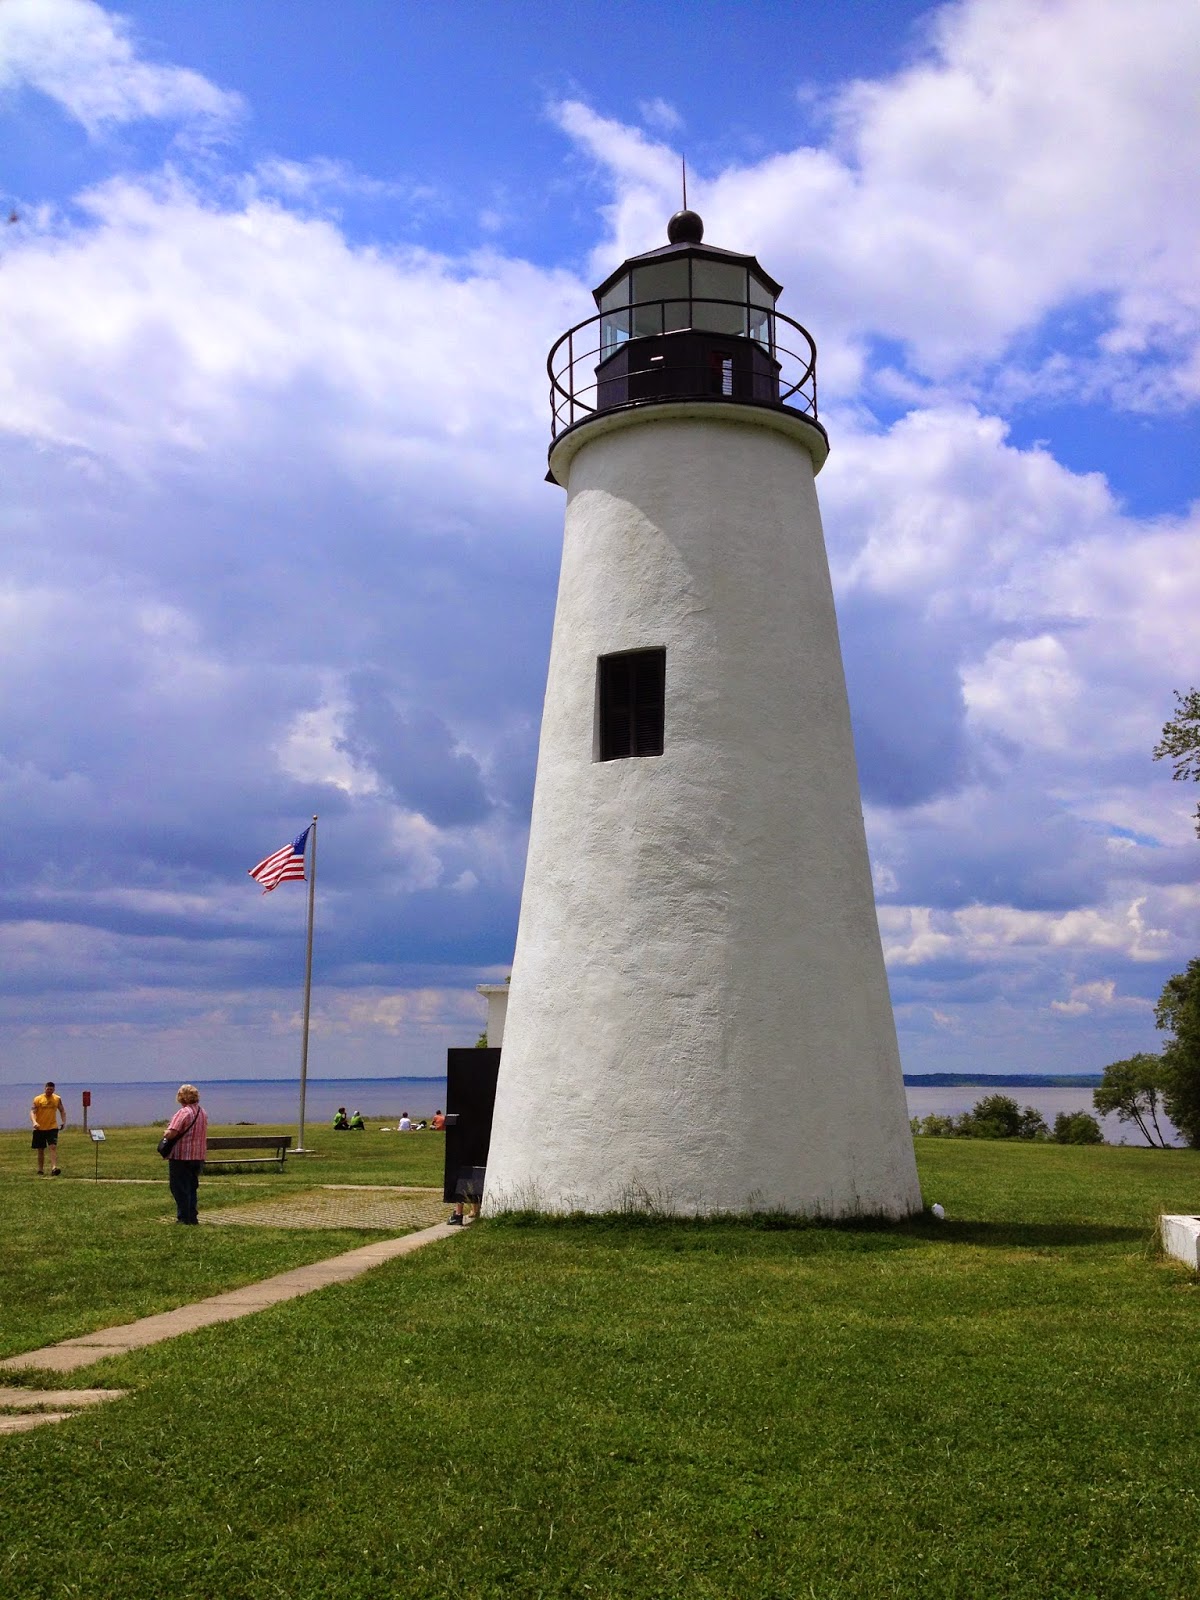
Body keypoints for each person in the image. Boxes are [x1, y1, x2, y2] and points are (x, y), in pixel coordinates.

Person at [164, 1084, 208, 1225]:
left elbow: (172, 1133)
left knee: (179, 1188)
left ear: (181, 1097)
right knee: (191, 1187)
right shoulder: (202, 1112)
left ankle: (184, 1217)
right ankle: (192, 1216)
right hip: (198, 1155)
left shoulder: (183, 1113)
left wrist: (165, 1132)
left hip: (181, 1156)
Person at [30, 1081, 67, 1176]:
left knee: (53, 1147)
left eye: (51, 1089)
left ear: (54, 1089)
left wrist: (63, 1121)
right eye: (48, 1089)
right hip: (40, 1128)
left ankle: (54, 1168)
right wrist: (34, 1122)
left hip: (52, 1127)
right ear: (45, 1088)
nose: (49, 1091)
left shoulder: (57, 1098)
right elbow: (32, 1112)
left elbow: (62, 1110)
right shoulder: (38, 1099)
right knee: (40, 1149)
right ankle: (40, 1169)